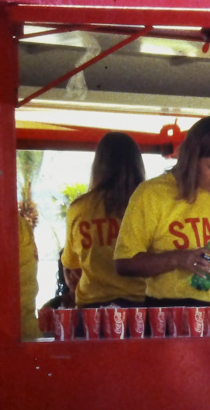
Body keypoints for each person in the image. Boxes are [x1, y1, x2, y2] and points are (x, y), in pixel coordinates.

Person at [114, 116, 210, 305]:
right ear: (191, 159)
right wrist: (179, 259)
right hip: (174, 309)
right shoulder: (152, 194)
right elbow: (124, 263)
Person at [62, 132, 147, 308]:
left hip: (92, 310)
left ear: (98, 165)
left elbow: (71, 264)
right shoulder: (148, 204)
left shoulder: (79, 208)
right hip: (141, 309)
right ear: (137, 164)